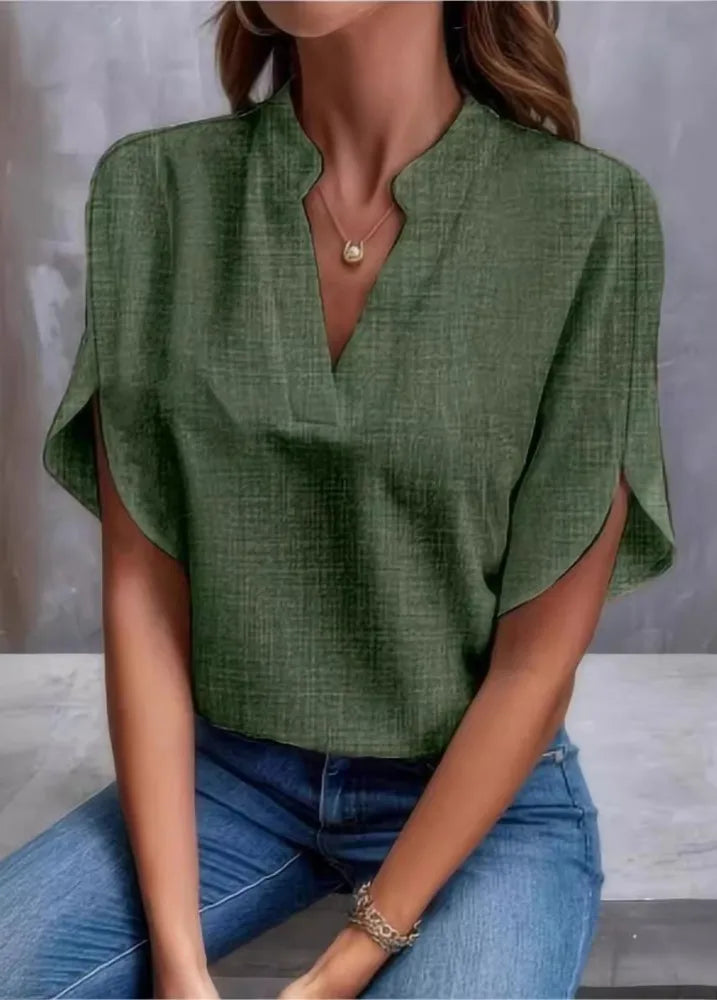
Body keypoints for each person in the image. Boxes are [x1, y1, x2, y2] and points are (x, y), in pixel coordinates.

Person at [1, 1, 677, 997]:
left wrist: (340, 967)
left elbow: (537, 665)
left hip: (481, 802)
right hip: (228, 779)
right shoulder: (157, 193)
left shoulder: (588, 219)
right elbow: (144, 599)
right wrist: (180, 968)